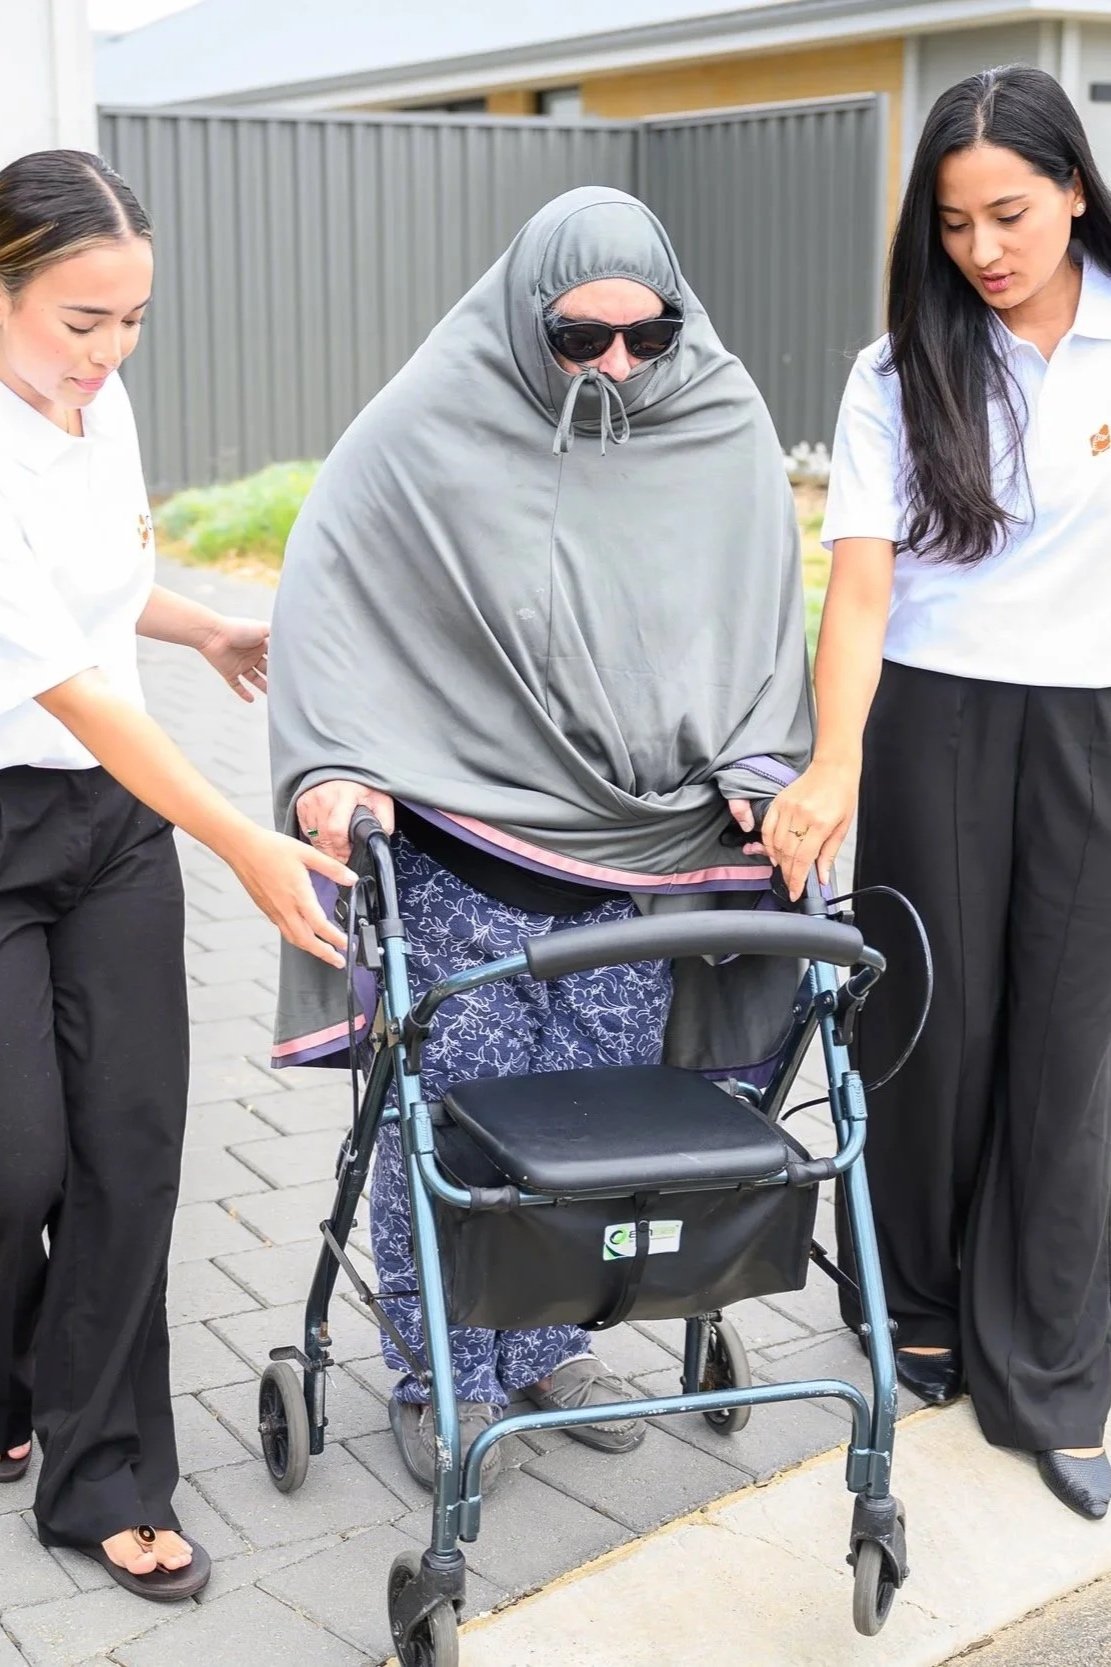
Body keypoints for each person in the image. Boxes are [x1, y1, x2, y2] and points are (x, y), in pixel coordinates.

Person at [268, 186, 813, 1493]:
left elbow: (758, 622)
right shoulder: (426, 421)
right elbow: (330, 589)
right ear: (527, 319)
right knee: (455, 1130)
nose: (617, 367)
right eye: (580, 339)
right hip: (467, 852)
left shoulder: (721, 419)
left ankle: (552, 1348)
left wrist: (757, 767)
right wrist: (334, 772)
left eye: (647, 335)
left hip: (643, 859)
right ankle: (438, 1370)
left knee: (602, 1128)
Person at [0, 149, 354, 1600]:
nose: (111, 352)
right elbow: (67, 684)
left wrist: (201, 625)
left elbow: (94, 587)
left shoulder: (100, 407)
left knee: (131, 1148)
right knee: (18, 1156)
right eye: (83, 320)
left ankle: (105, 1474)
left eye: (133, 319)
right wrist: (244, 838)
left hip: (110, 826)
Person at [762, 66, 1111, 1519]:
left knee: (1073, 1044)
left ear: (1077, 191)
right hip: (935, 721)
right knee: (932, 1025)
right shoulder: (899, 367)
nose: (987, 249)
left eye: (1013, 214)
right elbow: (858, 591)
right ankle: (913, 1312)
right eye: (959, 222)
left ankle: (1055, 1365)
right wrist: (833, 761)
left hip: (1093, 719)